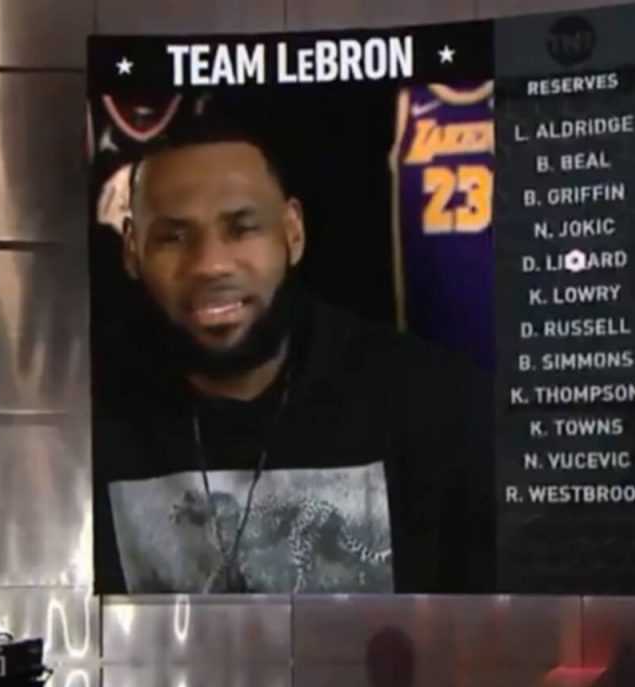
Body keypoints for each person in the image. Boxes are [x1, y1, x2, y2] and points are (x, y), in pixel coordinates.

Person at [94, 117, 493, 595]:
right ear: (132, 250)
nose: (210, 265)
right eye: (174, 237)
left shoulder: (432, 402)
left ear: (293, 232)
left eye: (242, 228)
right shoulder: (81, 419)